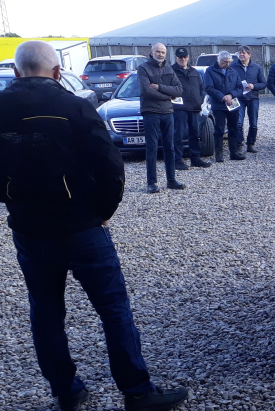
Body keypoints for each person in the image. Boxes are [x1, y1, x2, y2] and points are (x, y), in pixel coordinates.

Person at [0, 41, 189, 411]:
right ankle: (137, 391)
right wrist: (104, 211)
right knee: (113, 309)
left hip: (29, 228)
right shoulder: (74, 106)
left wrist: (12, 201)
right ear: (57, 72)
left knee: (46, 313)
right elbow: (110, 164)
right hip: (82, 226)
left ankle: (65, 391)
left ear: (18, 72)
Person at [138, 43, 184, 193]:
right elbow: (146, 91)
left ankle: (171, 180)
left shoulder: (169, 69)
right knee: (151, 148)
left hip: (168, 112)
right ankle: (151, 183)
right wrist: (168, 96)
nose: (160, 54)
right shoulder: (143, 68)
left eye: (163, 52)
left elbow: (179, 90)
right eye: (157, 51)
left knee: (169, 147)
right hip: (150, 112)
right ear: (151, 52)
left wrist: (159, 87)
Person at [171, 47, 210, 169]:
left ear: (188, 57)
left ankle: (195, 159)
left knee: (195, 134)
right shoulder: (171, 71)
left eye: (185, 57)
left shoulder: (193, 71)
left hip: (194, 108)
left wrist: (200, 99)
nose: (183, 59)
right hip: (179, 109)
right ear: (176, 58)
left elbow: (202, 87)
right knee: (178, 135)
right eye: (180, 57)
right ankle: (177, 160)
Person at [203, 51, 246, 162]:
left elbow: (240, 88)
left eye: (228, 62)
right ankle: (219, 154)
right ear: (219, 60)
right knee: (219, 130)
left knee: (233, 129)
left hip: (233, 104)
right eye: (224, 61)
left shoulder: (233, 72)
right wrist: (222, 97)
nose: (226, 64)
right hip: (219, 105)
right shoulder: (210, 71)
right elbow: (208, 87)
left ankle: (233, 152)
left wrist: (231, 95)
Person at [232, 45, 267, 153]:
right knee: (238, 123)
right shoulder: (233, 67)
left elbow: (264, 83)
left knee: (254, 123)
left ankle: (251, 144)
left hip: (253, 98)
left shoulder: (256, 67)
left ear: (249, 55)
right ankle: (239, 144)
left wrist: (253, 86)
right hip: (238, 99)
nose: (241, 55)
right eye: (240, 53)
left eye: (244, 53)